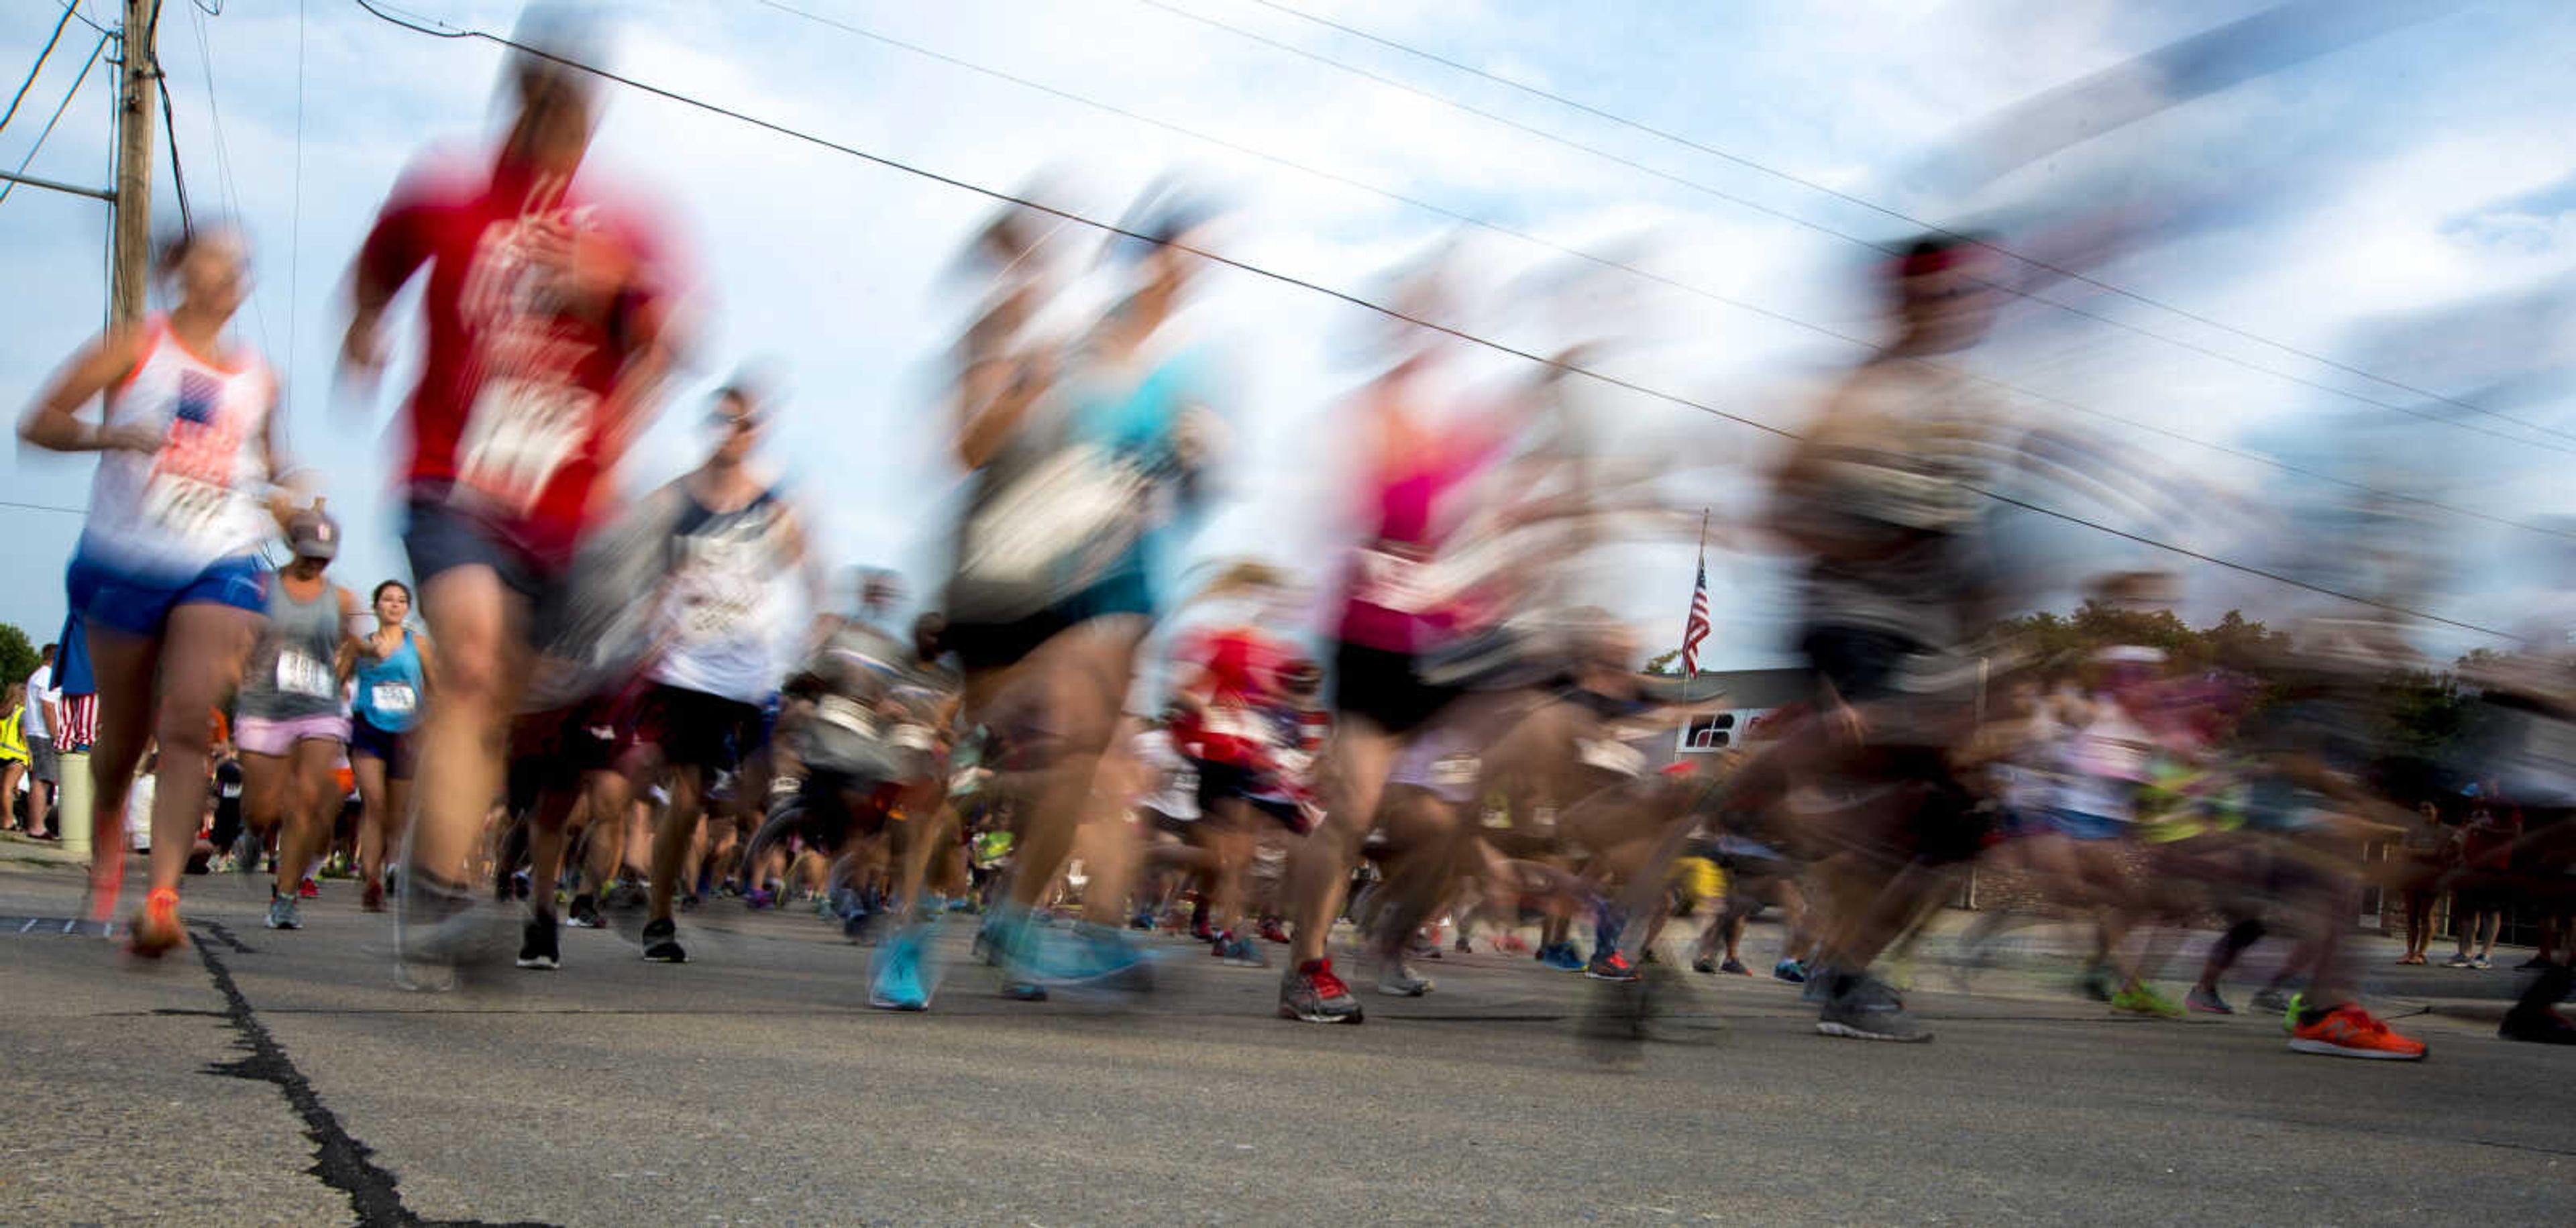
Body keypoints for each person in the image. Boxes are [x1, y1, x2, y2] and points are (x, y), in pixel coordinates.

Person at [341, 5, 690, 987]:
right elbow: (374, 271)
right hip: (452, 480)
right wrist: (363, 328)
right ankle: (442, 894)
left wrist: (614, 359)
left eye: (571, 102)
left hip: (562, 515)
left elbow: (668, 344)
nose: (553, 118)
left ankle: (434, 870)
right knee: (477, 663)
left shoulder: (619, 232)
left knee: (504, 707)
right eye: (538, 94)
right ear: (513, 95)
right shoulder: (448, 203)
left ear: (590, 117)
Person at [18, 222, 297, 953]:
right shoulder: (134, 345)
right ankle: (110, 833)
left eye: (236, 269)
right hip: (124, 557)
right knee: (124, 736)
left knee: (186, 720)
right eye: (210, 265)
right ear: (181, 272)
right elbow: (37, 423)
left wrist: (294, 496)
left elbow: (277, 466)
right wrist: (108, 436)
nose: (223, 280)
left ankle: (163, 897)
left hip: (220, 557)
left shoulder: (260, 380)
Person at [628, 382, 820, 966]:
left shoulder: (772, 507)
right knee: (686, 798)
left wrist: (820, 621)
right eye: (720, 419)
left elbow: (808, 569)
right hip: (687, 669)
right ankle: (659, 916)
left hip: (749, 674)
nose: (730, 431)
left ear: (757, 431)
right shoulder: (675, 500)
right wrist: (644, 620)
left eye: (742, 422)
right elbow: (639, 570)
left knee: (753, 795)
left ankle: (693, 869)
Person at [235, 510, 360, 931]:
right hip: (265, 704)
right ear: (292, 547)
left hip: (318, 707)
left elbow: (346, 645)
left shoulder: (341, 599)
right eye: (309, 555)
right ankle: (252, 832)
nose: (316, 564)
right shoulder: (262, 588)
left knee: (307, 798)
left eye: (324, 558)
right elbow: (242, 641)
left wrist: (340, 679)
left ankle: (285, 898)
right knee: (263, 807)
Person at [350, 579, 433, 911]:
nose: (395, 605)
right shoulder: (363, 645)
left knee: (398, 813)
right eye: (388, 600)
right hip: (368, 726)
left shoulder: (420, 645)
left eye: (401, 601)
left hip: (407, 731)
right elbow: (340, 677)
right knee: (374, 802)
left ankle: (393, 867)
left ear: (407, 608)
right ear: (376, 606)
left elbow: (436, 687)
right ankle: (371, 878)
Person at [2447, 800, 2516, 969]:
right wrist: (2459, 854)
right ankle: (2465, 953)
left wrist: (2486, 830)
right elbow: (2463, 831)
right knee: (2468, 910)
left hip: (2494, 864)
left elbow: (2516, 832)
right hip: (2470, 864)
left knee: (2491, 911)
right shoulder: (2474, 807)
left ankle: (2485, 955)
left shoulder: (2508, 805)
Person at [23, 645, 60, 839]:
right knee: (43, 779)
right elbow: (48, 707)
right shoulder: (48, 677)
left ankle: (38, 824)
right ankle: (37, 826)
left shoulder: (37, 676)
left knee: (46, 778)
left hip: (36, 732)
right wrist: (57, 735)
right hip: (43, 734)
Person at [0, 683, 28, 832]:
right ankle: (8, 821)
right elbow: (24, 737)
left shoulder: (3, 712)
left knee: (6, 788)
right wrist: (31, 757)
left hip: (2, 754)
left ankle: (4, 818)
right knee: (8, 789)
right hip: (17, 755)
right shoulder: (22, 713)